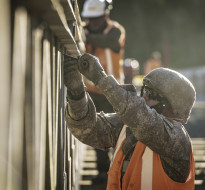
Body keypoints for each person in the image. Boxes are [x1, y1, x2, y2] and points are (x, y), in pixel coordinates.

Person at [64, 53, 195, 189]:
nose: (144, 96)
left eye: (152, 94)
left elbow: (141, 118)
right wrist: (77, 93)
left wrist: (100, 78)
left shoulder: (177, 138)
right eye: (144, 89)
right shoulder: (129, 126)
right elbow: (87, 129)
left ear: (173, 108)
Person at [81, 0, 126, 182]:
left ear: (106, 16)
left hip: (114, 90)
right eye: (90, 19)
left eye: (97, 19)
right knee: (97, 132)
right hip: (91, 90)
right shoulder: (83, 30)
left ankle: (118, 170)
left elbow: (110, 42)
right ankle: (103, 172)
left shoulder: (115, 31)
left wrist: (85, 37)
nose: (93, 23)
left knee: (117, 133)